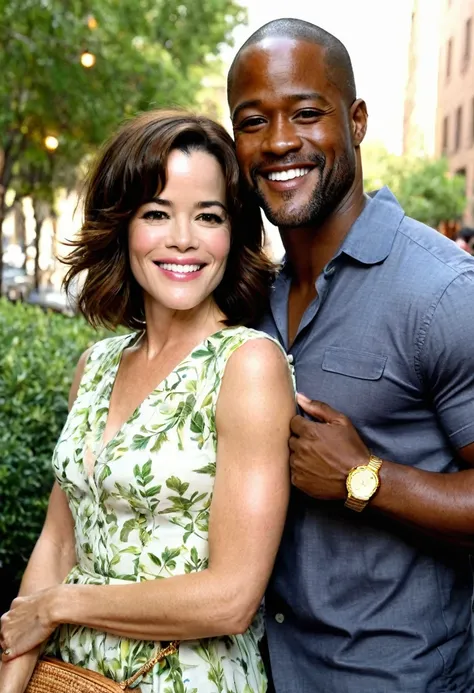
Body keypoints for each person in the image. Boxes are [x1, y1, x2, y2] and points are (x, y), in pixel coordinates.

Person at [0, 109, 295, 693]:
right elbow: (59, 542)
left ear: (232, 232)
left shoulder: (247, 366)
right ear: (122, 226)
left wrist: (61, 605)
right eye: (157, 214)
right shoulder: (96, 365)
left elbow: (231, 598)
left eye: (207, 216)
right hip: (67, 677)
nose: (183, 239)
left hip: (183, 678)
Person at [227, 17, 474, 693]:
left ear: (356, 119)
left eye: (307, 113)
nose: (281, 142)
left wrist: (366, 478)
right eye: (254, 121)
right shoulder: (253, 302)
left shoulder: (443, 291)